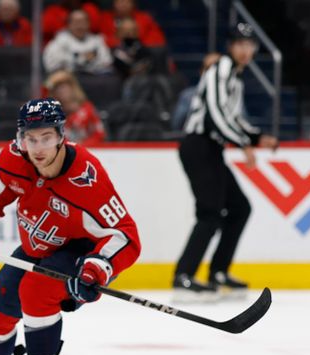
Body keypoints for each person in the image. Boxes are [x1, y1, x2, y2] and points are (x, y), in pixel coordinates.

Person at [0, 98, 140, 355]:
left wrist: (99, 266)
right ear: (21, 138)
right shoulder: (15, 159)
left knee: (36, 291)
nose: (38, 148)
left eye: (46, 138)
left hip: (78, 253)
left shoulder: (86, 176)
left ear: (61, 136)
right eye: (31, 138)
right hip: (36, 245)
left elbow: (125, 235)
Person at [175, 23, 279, 300]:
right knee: (209, 212)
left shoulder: (235, 77)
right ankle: (183, 275)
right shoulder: (220, 68)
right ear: (230, 46)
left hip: (212, 148)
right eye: (240, 44)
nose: (246, 50)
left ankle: (218, 271)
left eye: (250, 45)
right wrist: (244, 143)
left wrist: (257, 137)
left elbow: (234, 119)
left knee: (239, 208)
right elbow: (215, 116)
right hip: (198, 145)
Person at [43, 9, 113, 76]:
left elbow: (107, 62)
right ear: (68, 24)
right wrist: (80, 58)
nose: (80, 26)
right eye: (76, 22)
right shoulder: (59, 41)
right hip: (68, 81)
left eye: (83, 22)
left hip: (94, 81)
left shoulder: (97, 41)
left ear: (89, 24)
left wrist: (91, 60)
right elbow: (51, 65)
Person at [45, 70, 105, 145]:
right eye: (57, 88)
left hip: (88, 150)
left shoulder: (87, 108)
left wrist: (83, 146)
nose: (61, 91)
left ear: (72, 88)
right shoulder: (52, 113)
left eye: (64, 87)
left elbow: (99, 133)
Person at [171, 53, 221, 131]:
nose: (213, 73)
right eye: (208, 68)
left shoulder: (233, 93)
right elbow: (176, 125)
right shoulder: (188, 95)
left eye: (217, 69)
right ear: (201, 71)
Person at [98, 0, 165, 48]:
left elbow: (157, 40)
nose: (124, 5)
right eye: (120, 1)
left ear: (133, 4)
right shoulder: (104, 18)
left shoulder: (144, 18)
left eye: (127, 1)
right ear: (113, 3)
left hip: (140, 54)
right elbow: (100, 40)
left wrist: (138, 45)